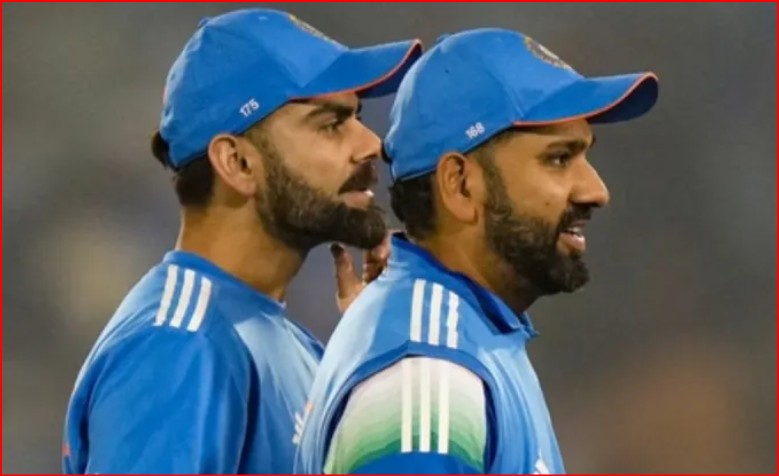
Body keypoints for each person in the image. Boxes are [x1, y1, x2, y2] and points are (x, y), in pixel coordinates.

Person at [62, 8, 420, 474]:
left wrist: (371, 353)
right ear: (237, 163)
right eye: (331, 123)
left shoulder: (284, 340)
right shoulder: (178, 347)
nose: (371, 143)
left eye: (357, 116)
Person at [294, 28, 659, 474]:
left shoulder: (470, 335)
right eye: (560, 158)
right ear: (461, 184)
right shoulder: (429, 376)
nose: (596, 190)